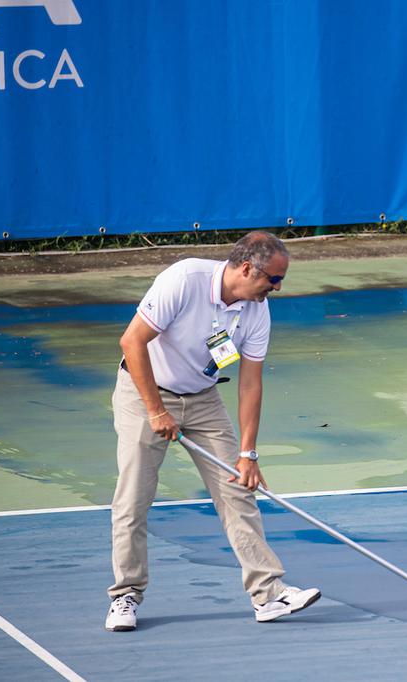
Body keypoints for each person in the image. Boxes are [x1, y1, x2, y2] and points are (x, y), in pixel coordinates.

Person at [105, 231, 320, 631]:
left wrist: (248, 453)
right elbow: (132, 342)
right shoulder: (184, 280)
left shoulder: (257, 310)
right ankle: (125, 596)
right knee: (133, 498)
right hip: (144, 392)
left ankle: (268, 595)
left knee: (238, 489)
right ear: (245, 268)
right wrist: (155, 411)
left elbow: (250, 382)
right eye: (273, 279)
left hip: (203, 399)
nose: (277, 287)